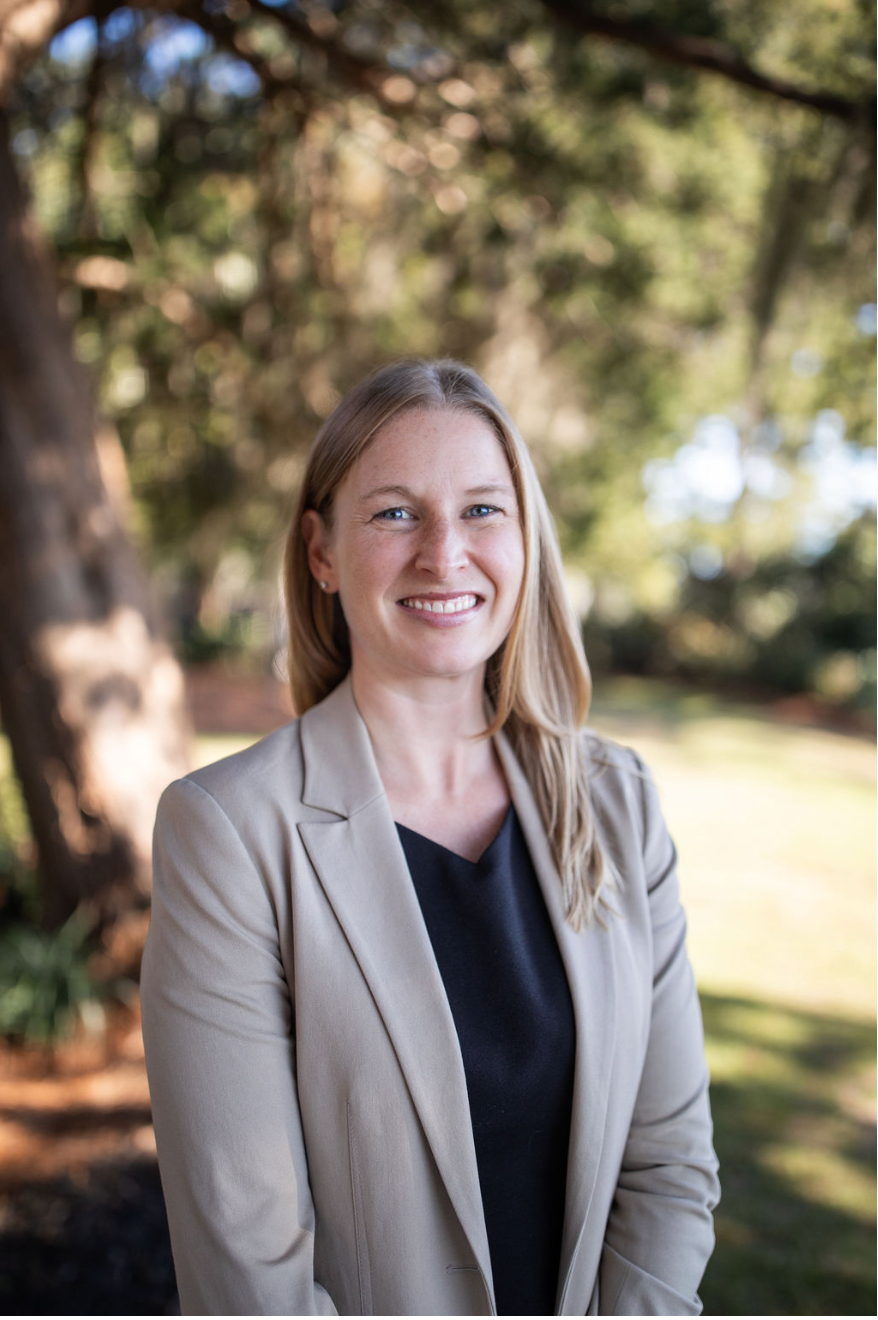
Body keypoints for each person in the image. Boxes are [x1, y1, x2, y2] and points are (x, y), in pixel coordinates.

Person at [141, 359, 720, 1317]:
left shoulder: (618, 804)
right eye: (395, 514)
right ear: (322, 552)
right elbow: (249, 1267)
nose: (444, 554)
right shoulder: (232, 833)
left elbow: (669, 1164)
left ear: (526, 539)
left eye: (483, 510)